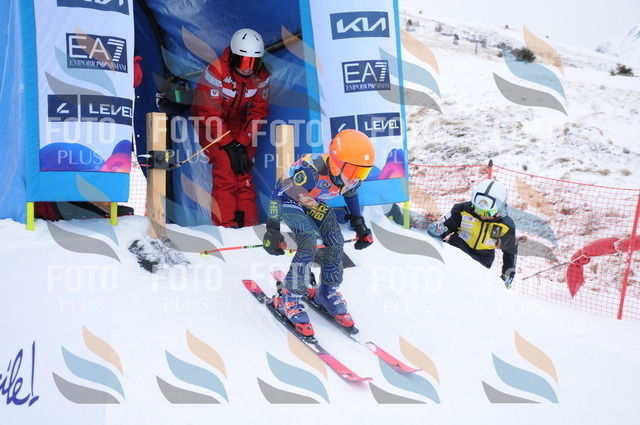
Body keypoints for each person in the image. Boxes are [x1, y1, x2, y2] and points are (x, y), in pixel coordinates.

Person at [262, 129, 375, 336]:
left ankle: (326, 291)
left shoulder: (349, 179)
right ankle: (289, 297)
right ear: (336, 163)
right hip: (290, 202)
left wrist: (359, 225)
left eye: (363, 173)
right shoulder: (311, 172)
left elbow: (351, 196)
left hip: (313, 203)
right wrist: (273, 228)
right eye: (354, 171)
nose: (357, 178)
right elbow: (279, 191)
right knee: (308, 244)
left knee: (336, 240)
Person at [192, 28, 270, 228]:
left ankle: (249, 227)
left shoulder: (261, 76)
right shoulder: (216, 71)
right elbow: (209, 114)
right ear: (233, 57)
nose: (248, 69)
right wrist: (228, 144)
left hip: (238, 122)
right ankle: (227, 228)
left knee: (244, 172)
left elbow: (259, 112)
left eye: (254, 63)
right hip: (208, 121)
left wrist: (242, 143)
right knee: (225, 168)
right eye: (244, 62)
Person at [428, 179, 518, 288]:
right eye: (478, 210)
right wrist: (440, 230)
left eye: (488, 213)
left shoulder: (506, 225)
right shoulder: (462, 210)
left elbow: (510, 252)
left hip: (482, 261)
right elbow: (447, 225)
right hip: (457, 251)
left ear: (499, 208)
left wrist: (508, 275)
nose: (481, 216)